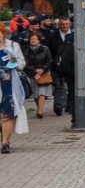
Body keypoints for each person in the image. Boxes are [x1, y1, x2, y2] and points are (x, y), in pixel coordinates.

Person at [0, 22, 26, 154]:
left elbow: (22, 64)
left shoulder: (13, 46)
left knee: (6, 115)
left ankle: (5, 143)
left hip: (9, 84)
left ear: (3, 33)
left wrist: (14, 61)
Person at [23, 31, 53, 118]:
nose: (33, 40)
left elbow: (49, 61)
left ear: (39, 41)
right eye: (31, 39)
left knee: (41, 92)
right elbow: (26, 64)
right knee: (35, 94)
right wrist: (35, 71)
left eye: (35, 39)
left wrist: (42, 70)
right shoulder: (27, 51)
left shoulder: (45, 49)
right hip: (32, 75)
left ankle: (40, 111)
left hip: (44, 74)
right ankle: (38, 108)